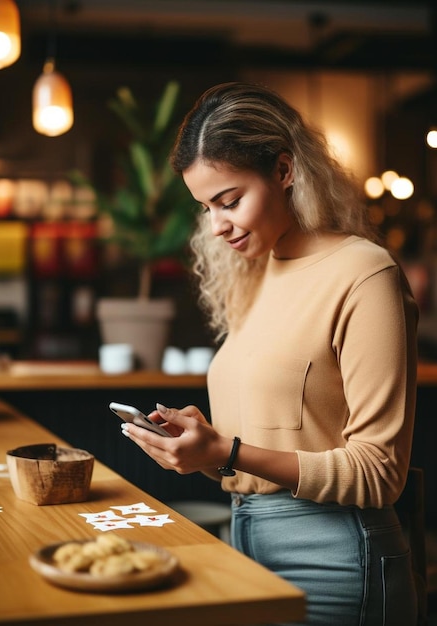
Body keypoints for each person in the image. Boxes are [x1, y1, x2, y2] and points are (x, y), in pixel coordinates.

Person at [119, 82, 419, 625]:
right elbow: (263, 449)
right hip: (245, 542)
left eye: (230, 201)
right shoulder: (253, 278)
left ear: (284, 171)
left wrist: (228, 452)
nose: (217, 225)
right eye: (206, 207)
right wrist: (205, 448)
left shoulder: (363, 274)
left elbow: (379, 472)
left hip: (336, 560)